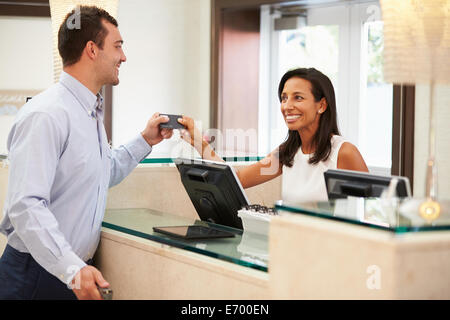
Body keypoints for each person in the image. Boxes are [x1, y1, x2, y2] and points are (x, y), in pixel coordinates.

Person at [0, 6, 173, 300]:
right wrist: (72, 269)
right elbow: (25, 205)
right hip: (37, 274)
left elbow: (101, 171)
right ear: (92, 50)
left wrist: (145, 140)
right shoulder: (46, 114)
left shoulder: (89, 111)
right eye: (117, 46)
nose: (124, 56)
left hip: (69, 270)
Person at [178, 67, 368, 203]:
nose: (287, 106)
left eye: (298, 97)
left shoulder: (344, 153)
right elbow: (238, 180)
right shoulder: (287, 152)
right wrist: (199, 143)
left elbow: (373, 211)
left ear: (322, 105)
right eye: (284, 98)